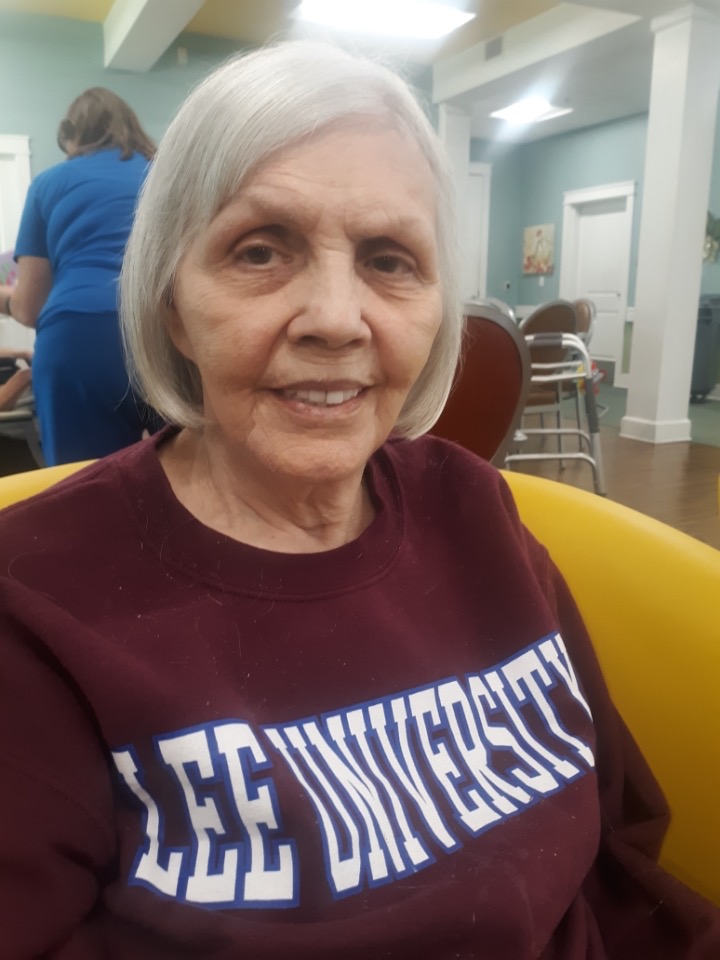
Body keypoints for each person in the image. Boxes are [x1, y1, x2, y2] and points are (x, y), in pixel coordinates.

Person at [0, 41, 718, 960]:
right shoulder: (33, 601)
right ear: (171, 301)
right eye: (261, 250)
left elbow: (616, 842)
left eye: (389, 259)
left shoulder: (474, 506)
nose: (337, 320)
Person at [0, 87, 156, 465]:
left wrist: (4, 298)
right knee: (195, 476)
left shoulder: (49, 183)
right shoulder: (165, 173)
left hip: (78, 336)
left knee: (82, 483)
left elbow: (29, 307)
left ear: (72, 136)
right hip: (165, 329)